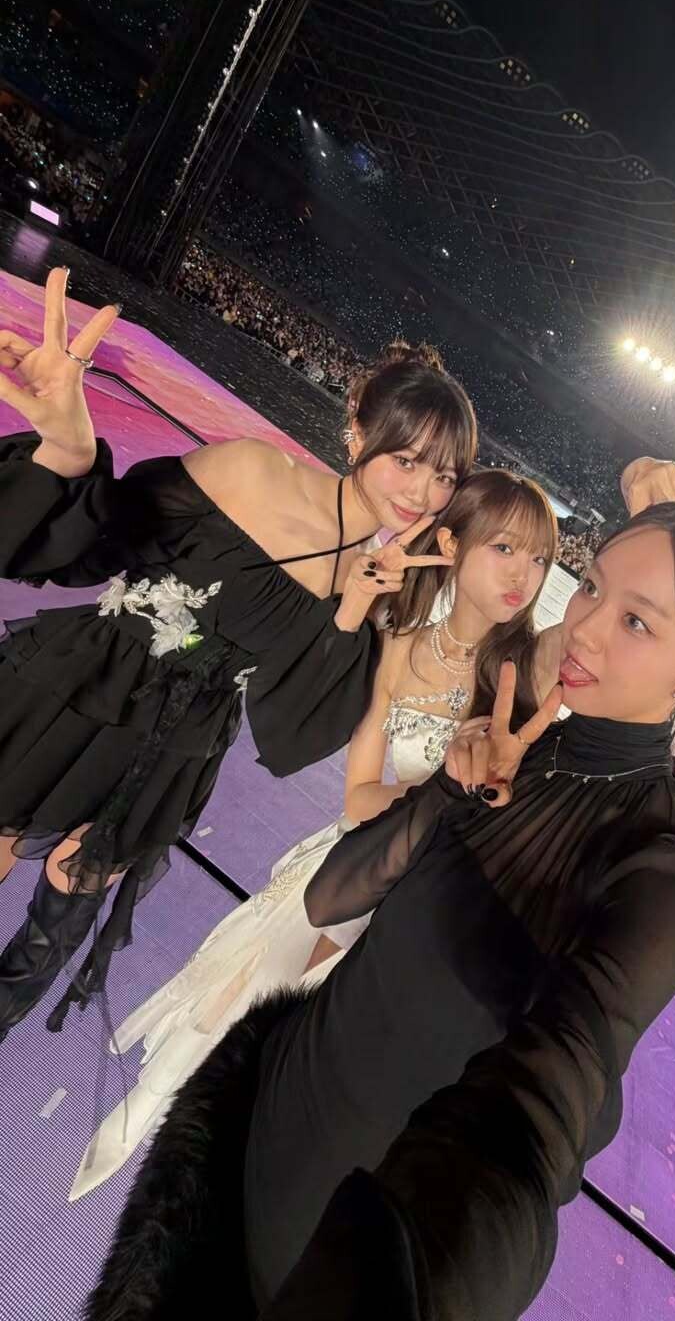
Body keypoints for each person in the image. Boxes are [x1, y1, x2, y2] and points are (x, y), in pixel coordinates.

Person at [86, 495, 675, 1321]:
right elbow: (332, 893)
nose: (586, 629)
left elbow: (547, 1107)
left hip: (339, 1233)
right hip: (250, 1131)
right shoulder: (523, 745)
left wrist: (414, 1286)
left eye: (637, 623)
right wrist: (449, 791)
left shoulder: (662, 865)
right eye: (592, 588)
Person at [0, 267, 476, 1040]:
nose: (421, 491)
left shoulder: (374, 581)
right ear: (358, 431)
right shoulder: (252, 470)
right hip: (82, 685)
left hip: (172, 754)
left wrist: (353, 608)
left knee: (53, 931)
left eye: (444, 475)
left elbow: (290, 726)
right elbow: (96, 539)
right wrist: (68, 445)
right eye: (408, 460)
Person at [68, 468, 558, 1198]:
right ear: (453, 545)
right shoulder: (398, 645)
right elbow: (358, 796)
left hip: (440, 905)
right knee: (238, 1023)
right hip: (358, 865)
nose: (525, 575)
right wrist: (437, 791)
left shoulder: (530, 666)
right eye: (506, 549)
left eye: (541, 558)